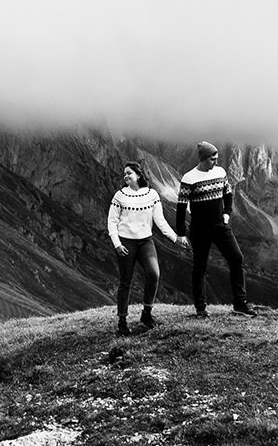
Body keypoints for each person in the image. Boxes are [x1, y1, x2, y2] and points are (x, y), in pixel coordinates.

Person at [107, 161, 181, 335]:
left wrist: (175, 238)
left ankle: (146, 314)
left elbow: (160, 220)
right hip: (126, 242)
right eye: (124, 173)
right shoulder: (119, 196)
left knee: (154, 274)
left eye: (129, 173)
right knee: (125, 281)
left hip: (146, 241)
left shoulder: (152, 194)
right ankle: (122, 322)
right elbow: (112, 221)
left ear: (138, 175)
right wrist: (117, 244)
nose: (125, 176)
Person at [178, 141, 251, 317]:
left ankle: (240, 304)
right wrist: (181, 233)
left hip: (220, 226)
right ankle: (201, 308)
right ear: (203, 158)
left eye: (217, 158)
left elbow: (228, 193)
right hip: (199, 229)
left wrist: (227, 213)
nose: (216, 162)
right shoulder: (189, 178)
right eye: (212, 159)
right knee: (200, 267)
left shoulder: (220, 172)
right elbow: (181, 206)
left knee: (237, 258)